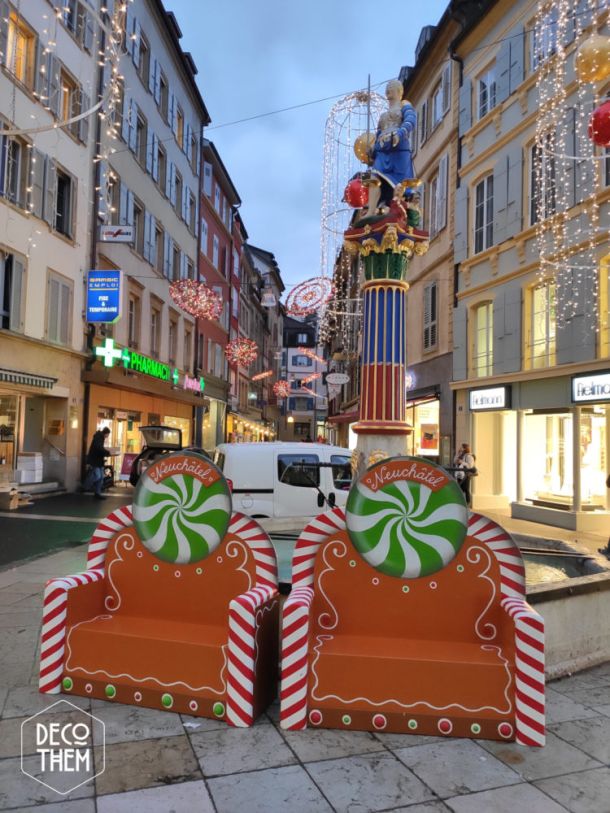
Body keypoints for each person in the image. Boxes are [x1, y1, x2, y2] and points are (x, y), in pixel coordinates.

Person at [364, 79, 417, 218]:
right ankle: (371, 210)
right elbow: (378, 135)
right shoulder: (383, 115)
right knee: (373, 176)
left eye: (391, 87)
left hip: (398, 151)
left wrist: (400, 133)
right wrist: (372, 151)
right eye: (387, 87)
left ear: (399, 91)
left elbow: (410, 121)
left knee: (398, 185)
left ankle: (397, 210)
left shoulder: (405, 105)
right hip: (382, 151)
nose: (388, 89)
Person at [82, 427, 111, 499]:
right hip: (95, 460)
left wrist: (105, 452)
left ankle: (97, 493)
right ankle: (86, 486)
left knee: (101, 477)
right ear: (106, 433)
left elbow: (99, 448)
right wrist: (106, 452)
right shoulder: (99, 437)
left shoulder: (100, 437)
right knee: (97, 476)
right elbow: (98, 448)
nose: (107, 436)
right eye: (108, 435)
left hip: (98, 460)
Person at [454, 442, 476, 507]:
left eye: (462, 447)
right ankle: (460, 503)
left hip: (466, 475)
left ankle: (467, 503)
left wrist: (462, 462)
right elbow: (454, 461)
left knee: (466, 489)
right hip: (459, 474)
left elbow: (470, 466)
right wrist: (458, 454)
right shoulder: (460, 455)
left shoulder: (469, 456)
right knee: (460, 489)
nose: (461, 449)